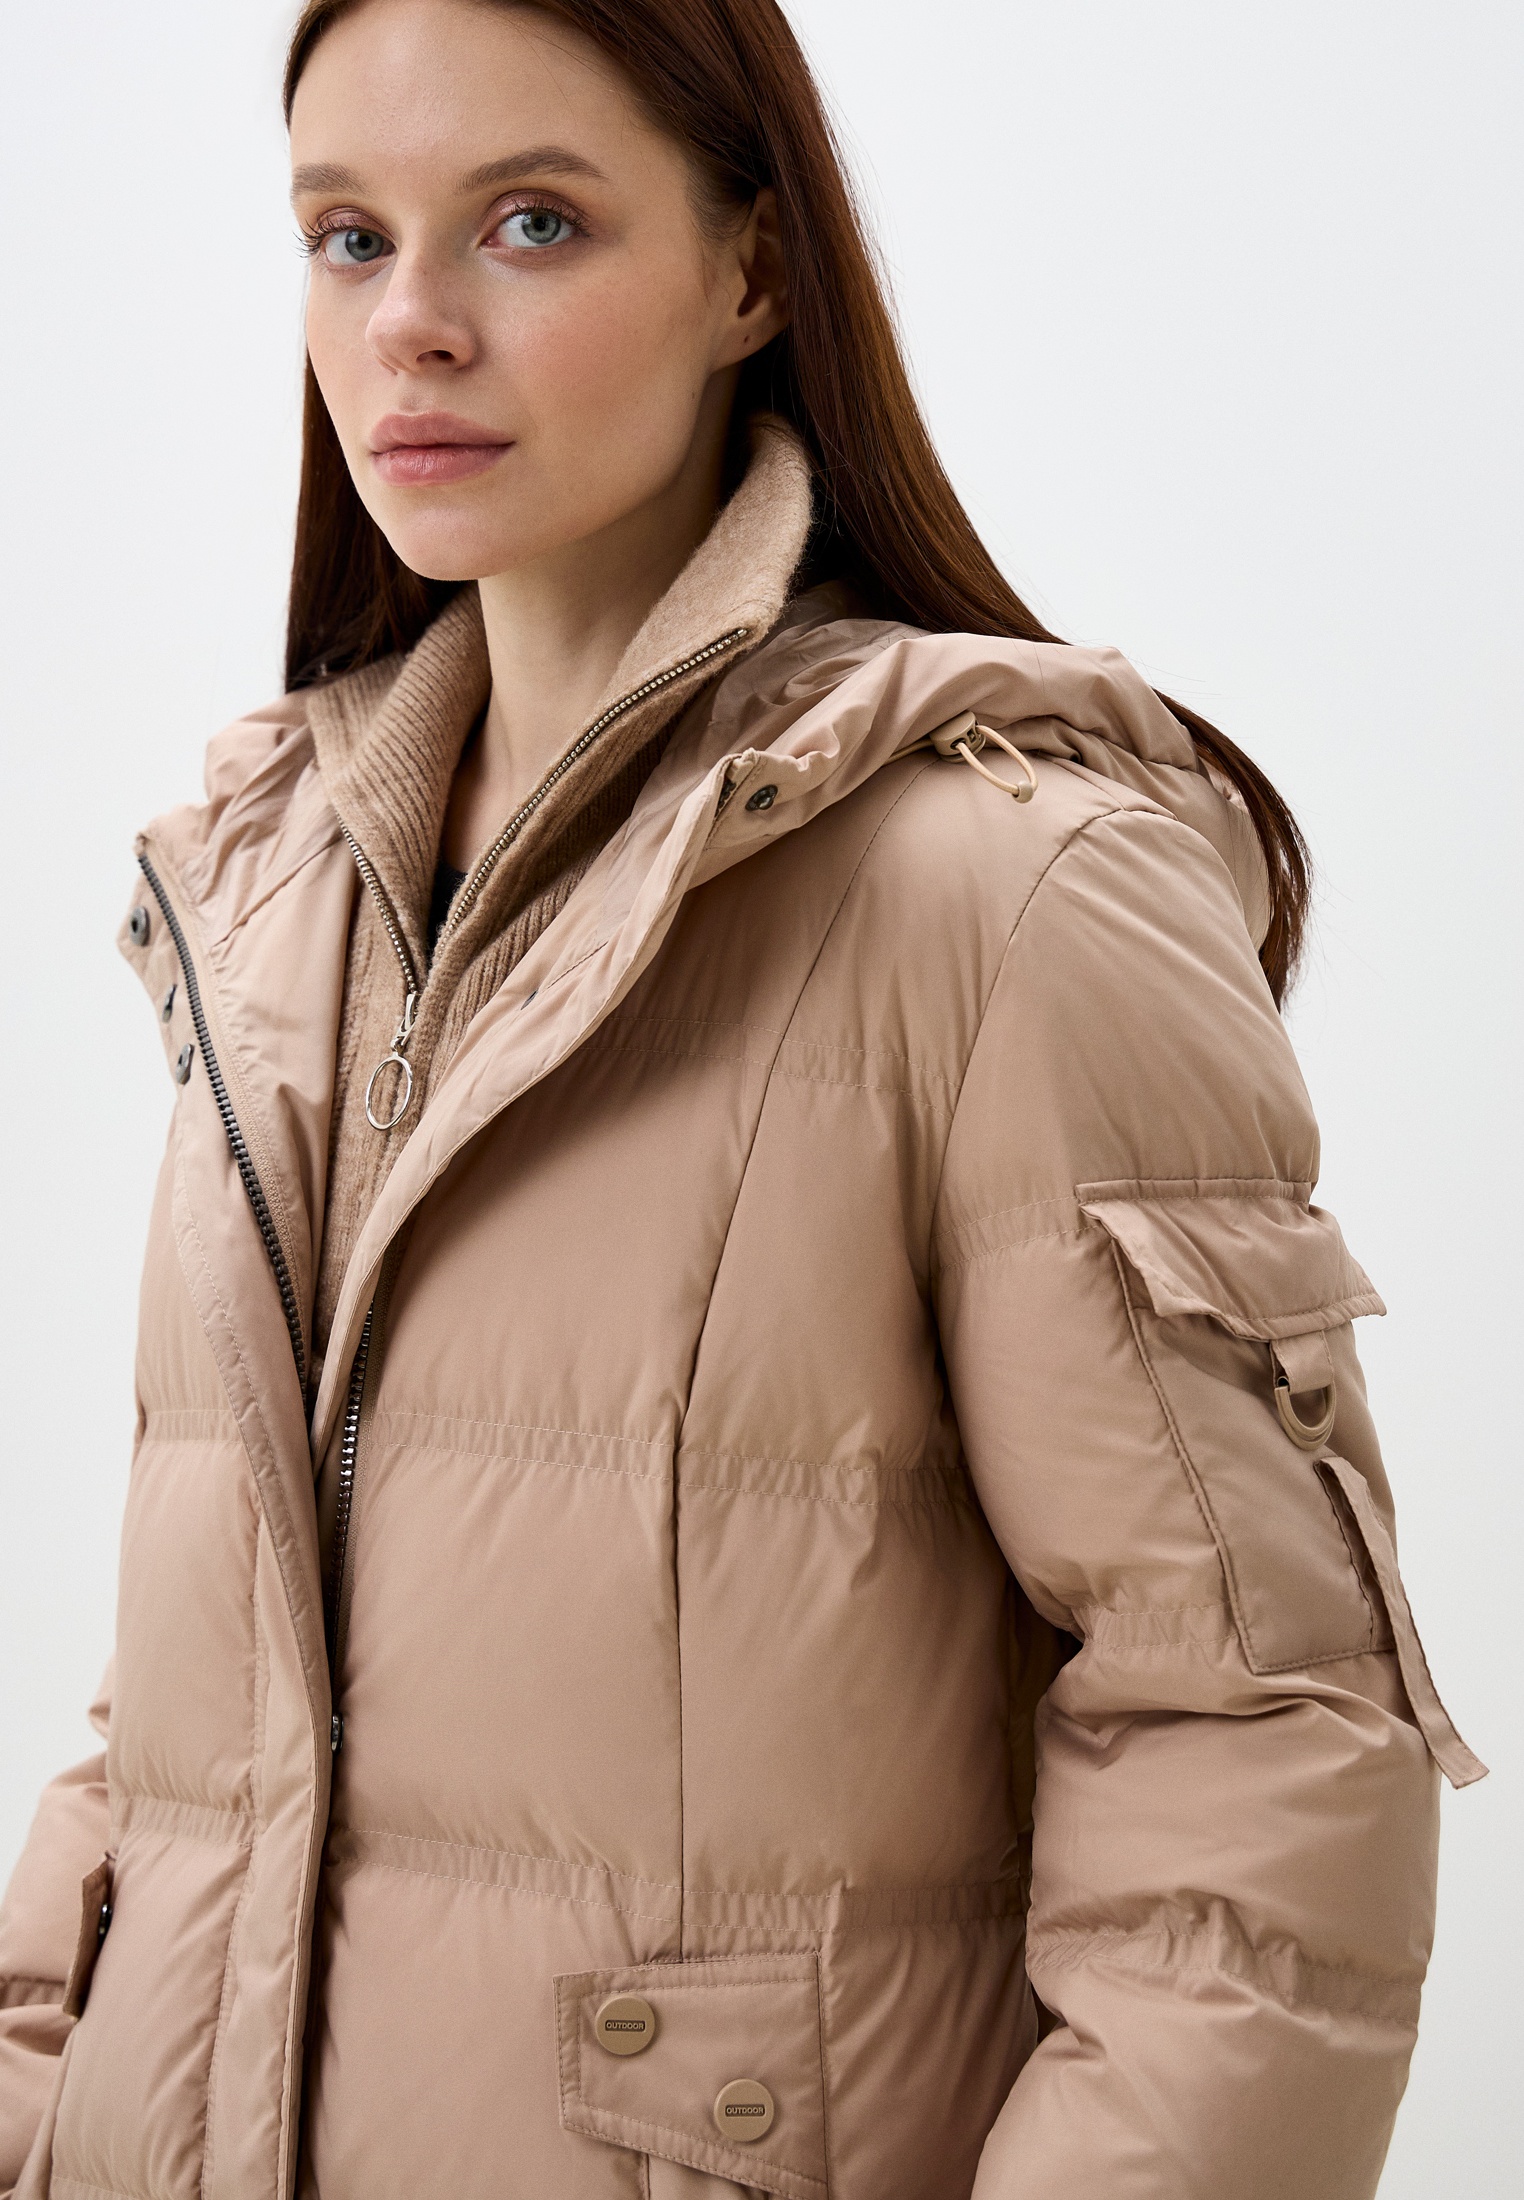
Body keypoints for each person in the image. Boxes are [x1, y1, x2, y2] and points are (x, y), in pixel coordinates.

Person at [0, 2, 1484, 2195]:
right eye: (345, 235)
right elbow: (198, 1708)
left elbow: (1257, 1750)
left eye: (531, 222)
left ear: (752, 272)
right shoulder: (273, 900)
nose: (410, 324)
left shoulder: (1004, 892)